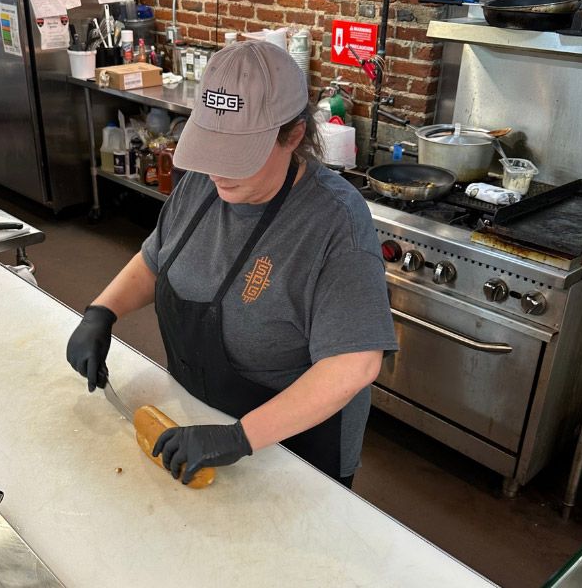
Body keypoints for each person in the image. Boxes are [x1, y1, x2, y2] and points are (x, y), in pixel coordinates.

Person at [66, 41, 397, 488]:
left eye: (236, 153)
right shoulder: (202, 182)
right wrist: (102, 312)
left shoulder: (335, 224)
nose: (217, 170)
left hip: (293, 451)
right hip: (198, 417)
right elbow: (156, 258)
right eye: (211, 147)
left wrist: (239, 437)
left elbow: (353, 366)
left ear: (294, 135)